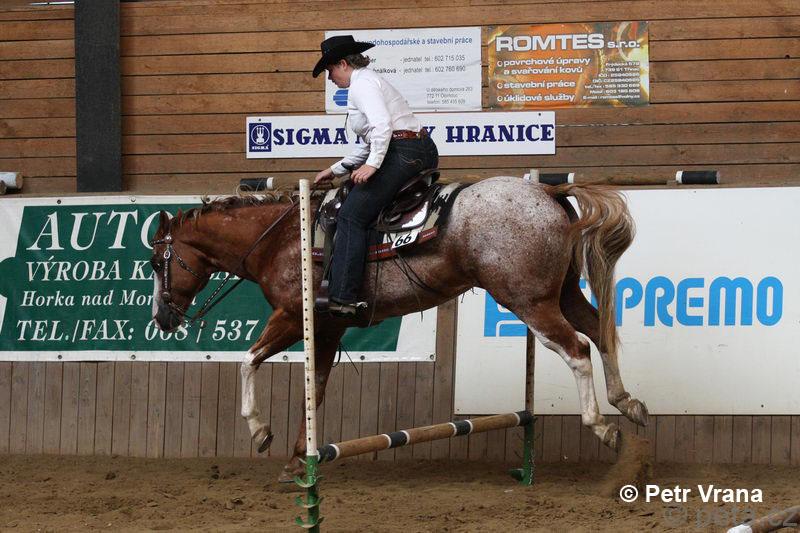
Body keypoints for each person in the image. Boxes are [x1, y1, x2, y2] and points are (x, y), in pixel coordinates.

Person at [312, 35, 439, 316]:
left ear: (342, 64)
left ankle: (343, 297)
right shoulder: (367, 82)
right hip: (413, 148)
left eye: (330, 70)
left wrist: (372, 165)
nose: (330, 78)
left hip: (403, 151)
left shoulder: (362, 85)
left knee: (351, 216)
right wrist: (336, 169)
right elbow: (372, 140)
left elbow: (382, 127)